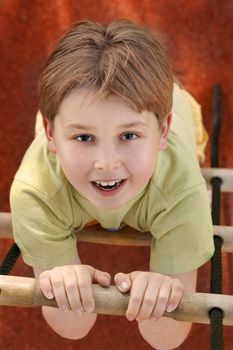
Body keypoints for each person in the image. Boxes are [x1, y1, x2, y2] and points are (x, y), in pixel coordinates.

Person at [10, 19, 214, 349]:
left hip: (174, 128)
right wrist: (63, 286)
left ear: (162, 132)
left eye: (129, 136)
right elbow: (73, 330)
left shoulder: (180, 189)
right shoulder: (36, 191)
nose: (106, 163)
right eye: (84, 137)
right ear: (50, 134)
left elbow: (165, 340)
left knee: (191, 179)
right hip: (67, 164)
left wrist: (160, 300)